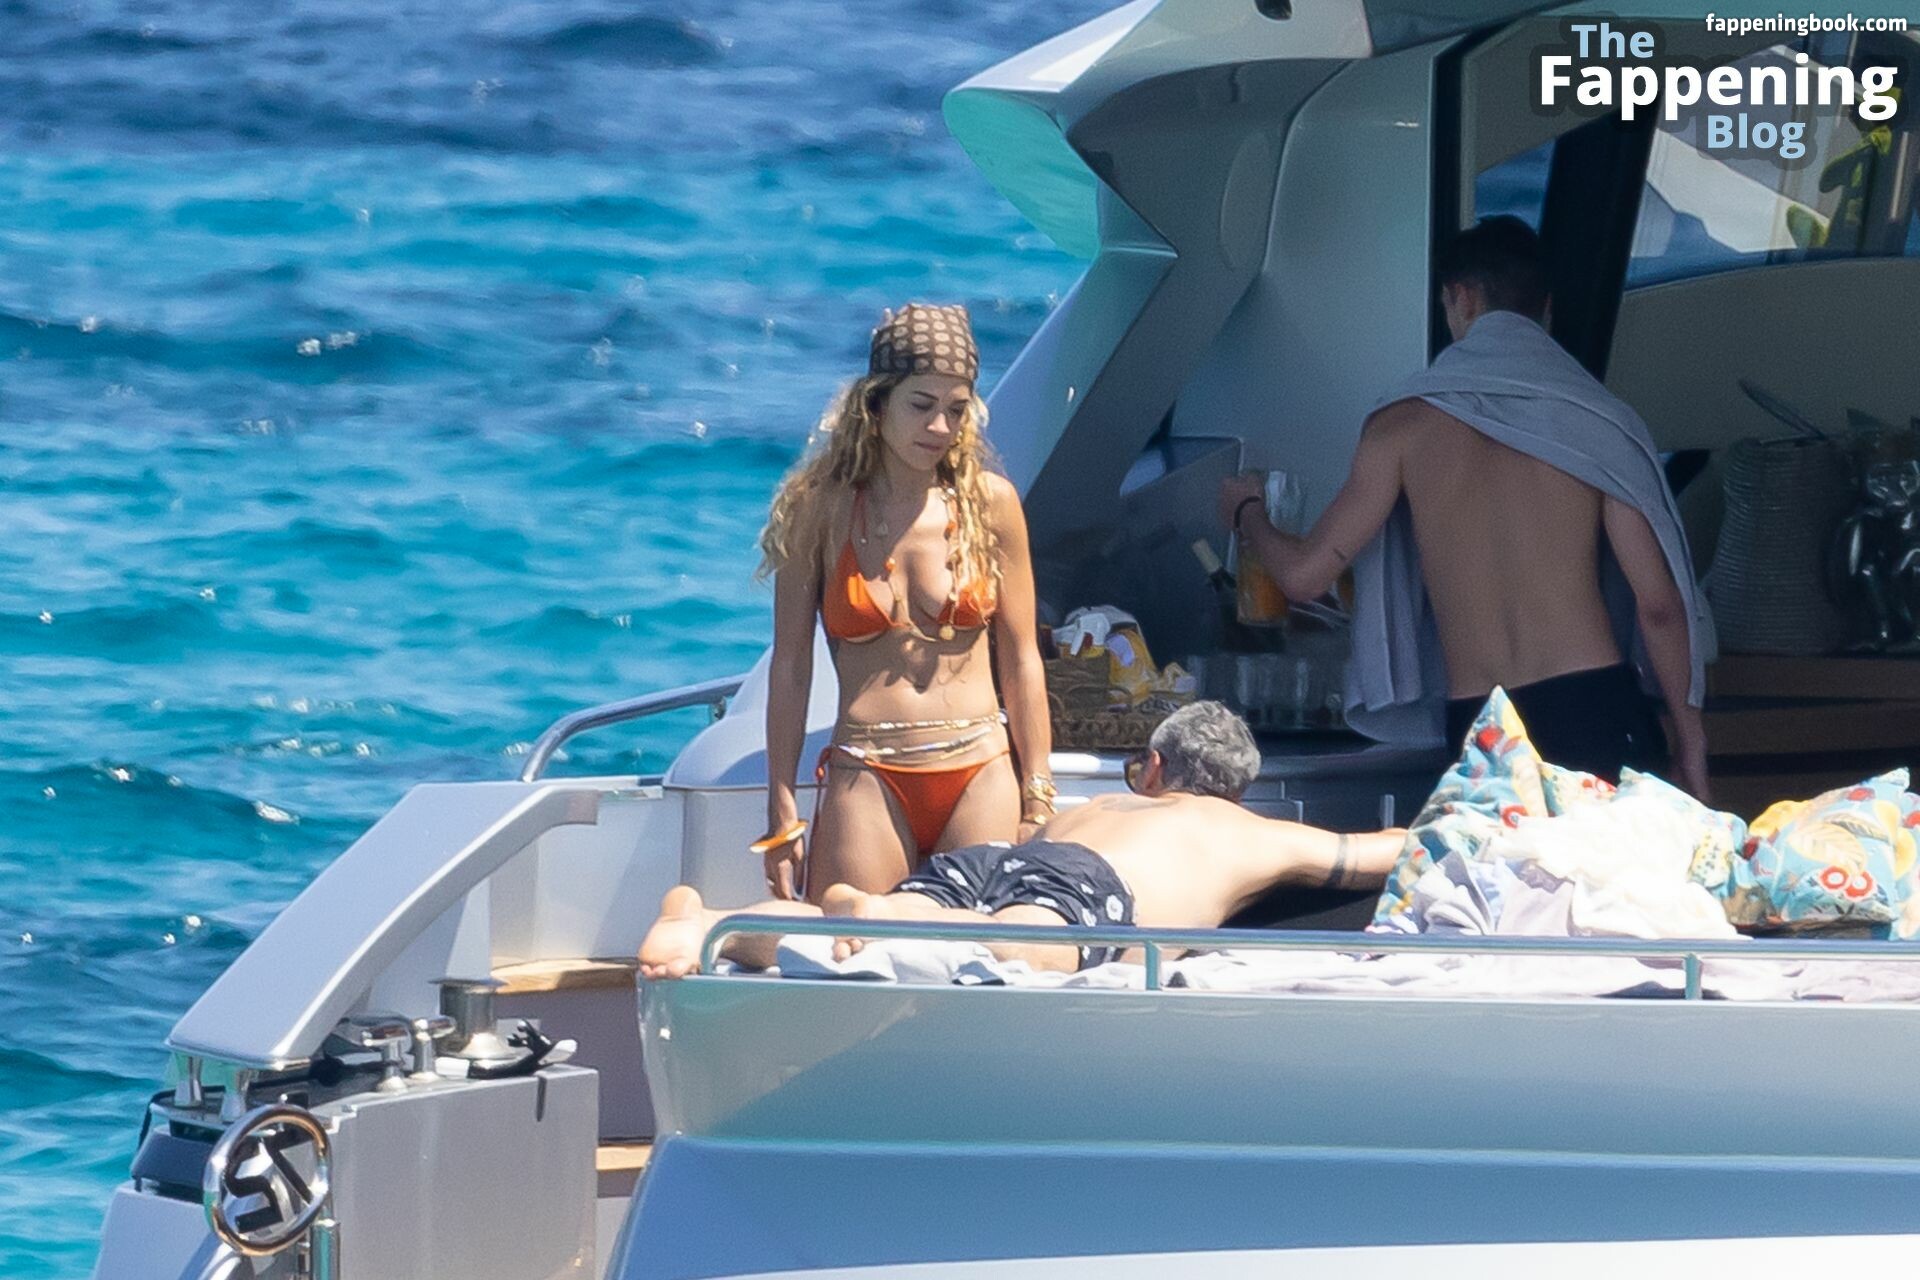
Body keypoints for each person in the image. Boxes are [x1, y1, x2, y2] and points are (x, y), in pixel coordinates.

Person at [1220, 217, 1710, 798]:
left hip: (1481, 722)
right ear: (1545, 309)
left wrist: (1247, 512)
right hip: (1592, 707)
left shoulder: (1401, 426)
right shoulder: (1598, 422)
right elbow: (1659, 607)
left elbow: (1303, 577)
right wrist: (1691, 748)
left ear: (1461, 298)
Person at [638, 702, 1407, 980]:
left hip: (1008, 857)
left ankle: (710, 923)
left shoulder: (1102, 803)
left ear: (1155, 768)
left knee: (885, 919)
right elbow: (1375, 853)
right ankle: (880, 917)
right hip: (1086, 890)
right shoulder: (1243, 831)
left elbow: (1034, 848)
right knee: (1017, 946)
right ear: (1233, 789)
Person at [756, 302, 1054, 903]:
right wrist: (781, 803)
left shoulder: (991, 505)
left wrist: (1038, 792)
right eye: (921, 405)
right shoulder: (819, 510)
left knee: (974, 950)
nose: (940, 427)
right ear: (876, 404)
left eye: (956, 409)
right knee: (851, 941)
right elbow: (790, 666)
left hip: (980, 766)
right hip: (868, 767)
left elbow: (1022, 658)